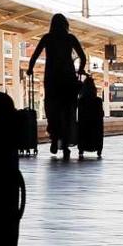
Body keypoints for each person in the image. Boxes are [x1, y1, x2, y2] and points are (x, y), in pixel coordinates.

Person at [27, 14, 87, 157]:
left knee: (52, 111)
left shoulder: (47, 38)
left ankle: (54, 139)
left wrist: (30, 69)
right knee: (68, 112)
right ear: (66, 25)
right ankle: (65, 145)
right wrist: (80, 69)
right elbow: (83, 57)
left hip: (52, 80)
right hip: (68, 80)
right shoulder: (70, 38)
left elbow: (35, 55)